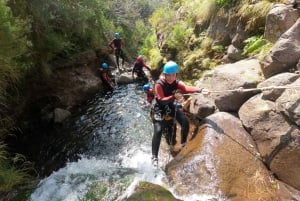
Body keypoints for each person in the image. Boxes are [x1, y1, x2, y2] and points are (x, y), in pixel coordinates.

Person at [151, 60, 209, 166]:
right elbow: (161, 99)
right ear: (165, 74)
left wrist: (201, 90)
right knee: (158, 130)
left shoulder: (176, 82)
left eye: (174, 75)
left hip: (170, 106)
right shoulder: (159, 84)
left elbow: (186, 88)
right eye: (169, 75)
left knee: (185, 122)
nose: (172, 77)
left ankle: (183, 144)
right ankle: (154, 156)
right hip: (159, 108)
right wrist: (174, 97)